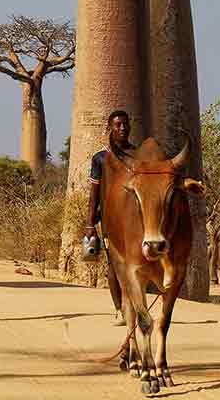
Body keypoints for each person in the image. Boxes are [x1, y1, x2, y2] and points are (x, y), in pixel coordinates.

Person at [86, 109, 134, 317]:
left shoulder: (138, 154)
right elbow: (94, 193)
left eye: (125, 124)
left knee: (135, 264)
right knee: (114, 264)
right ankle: (119, 309)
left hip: (135, 219)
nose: (122, 128)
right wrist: (89, 224)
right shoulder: (100, 158)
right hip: (109, 220)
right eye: (118, 125)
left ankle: (134, 306)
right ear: (110, 128)